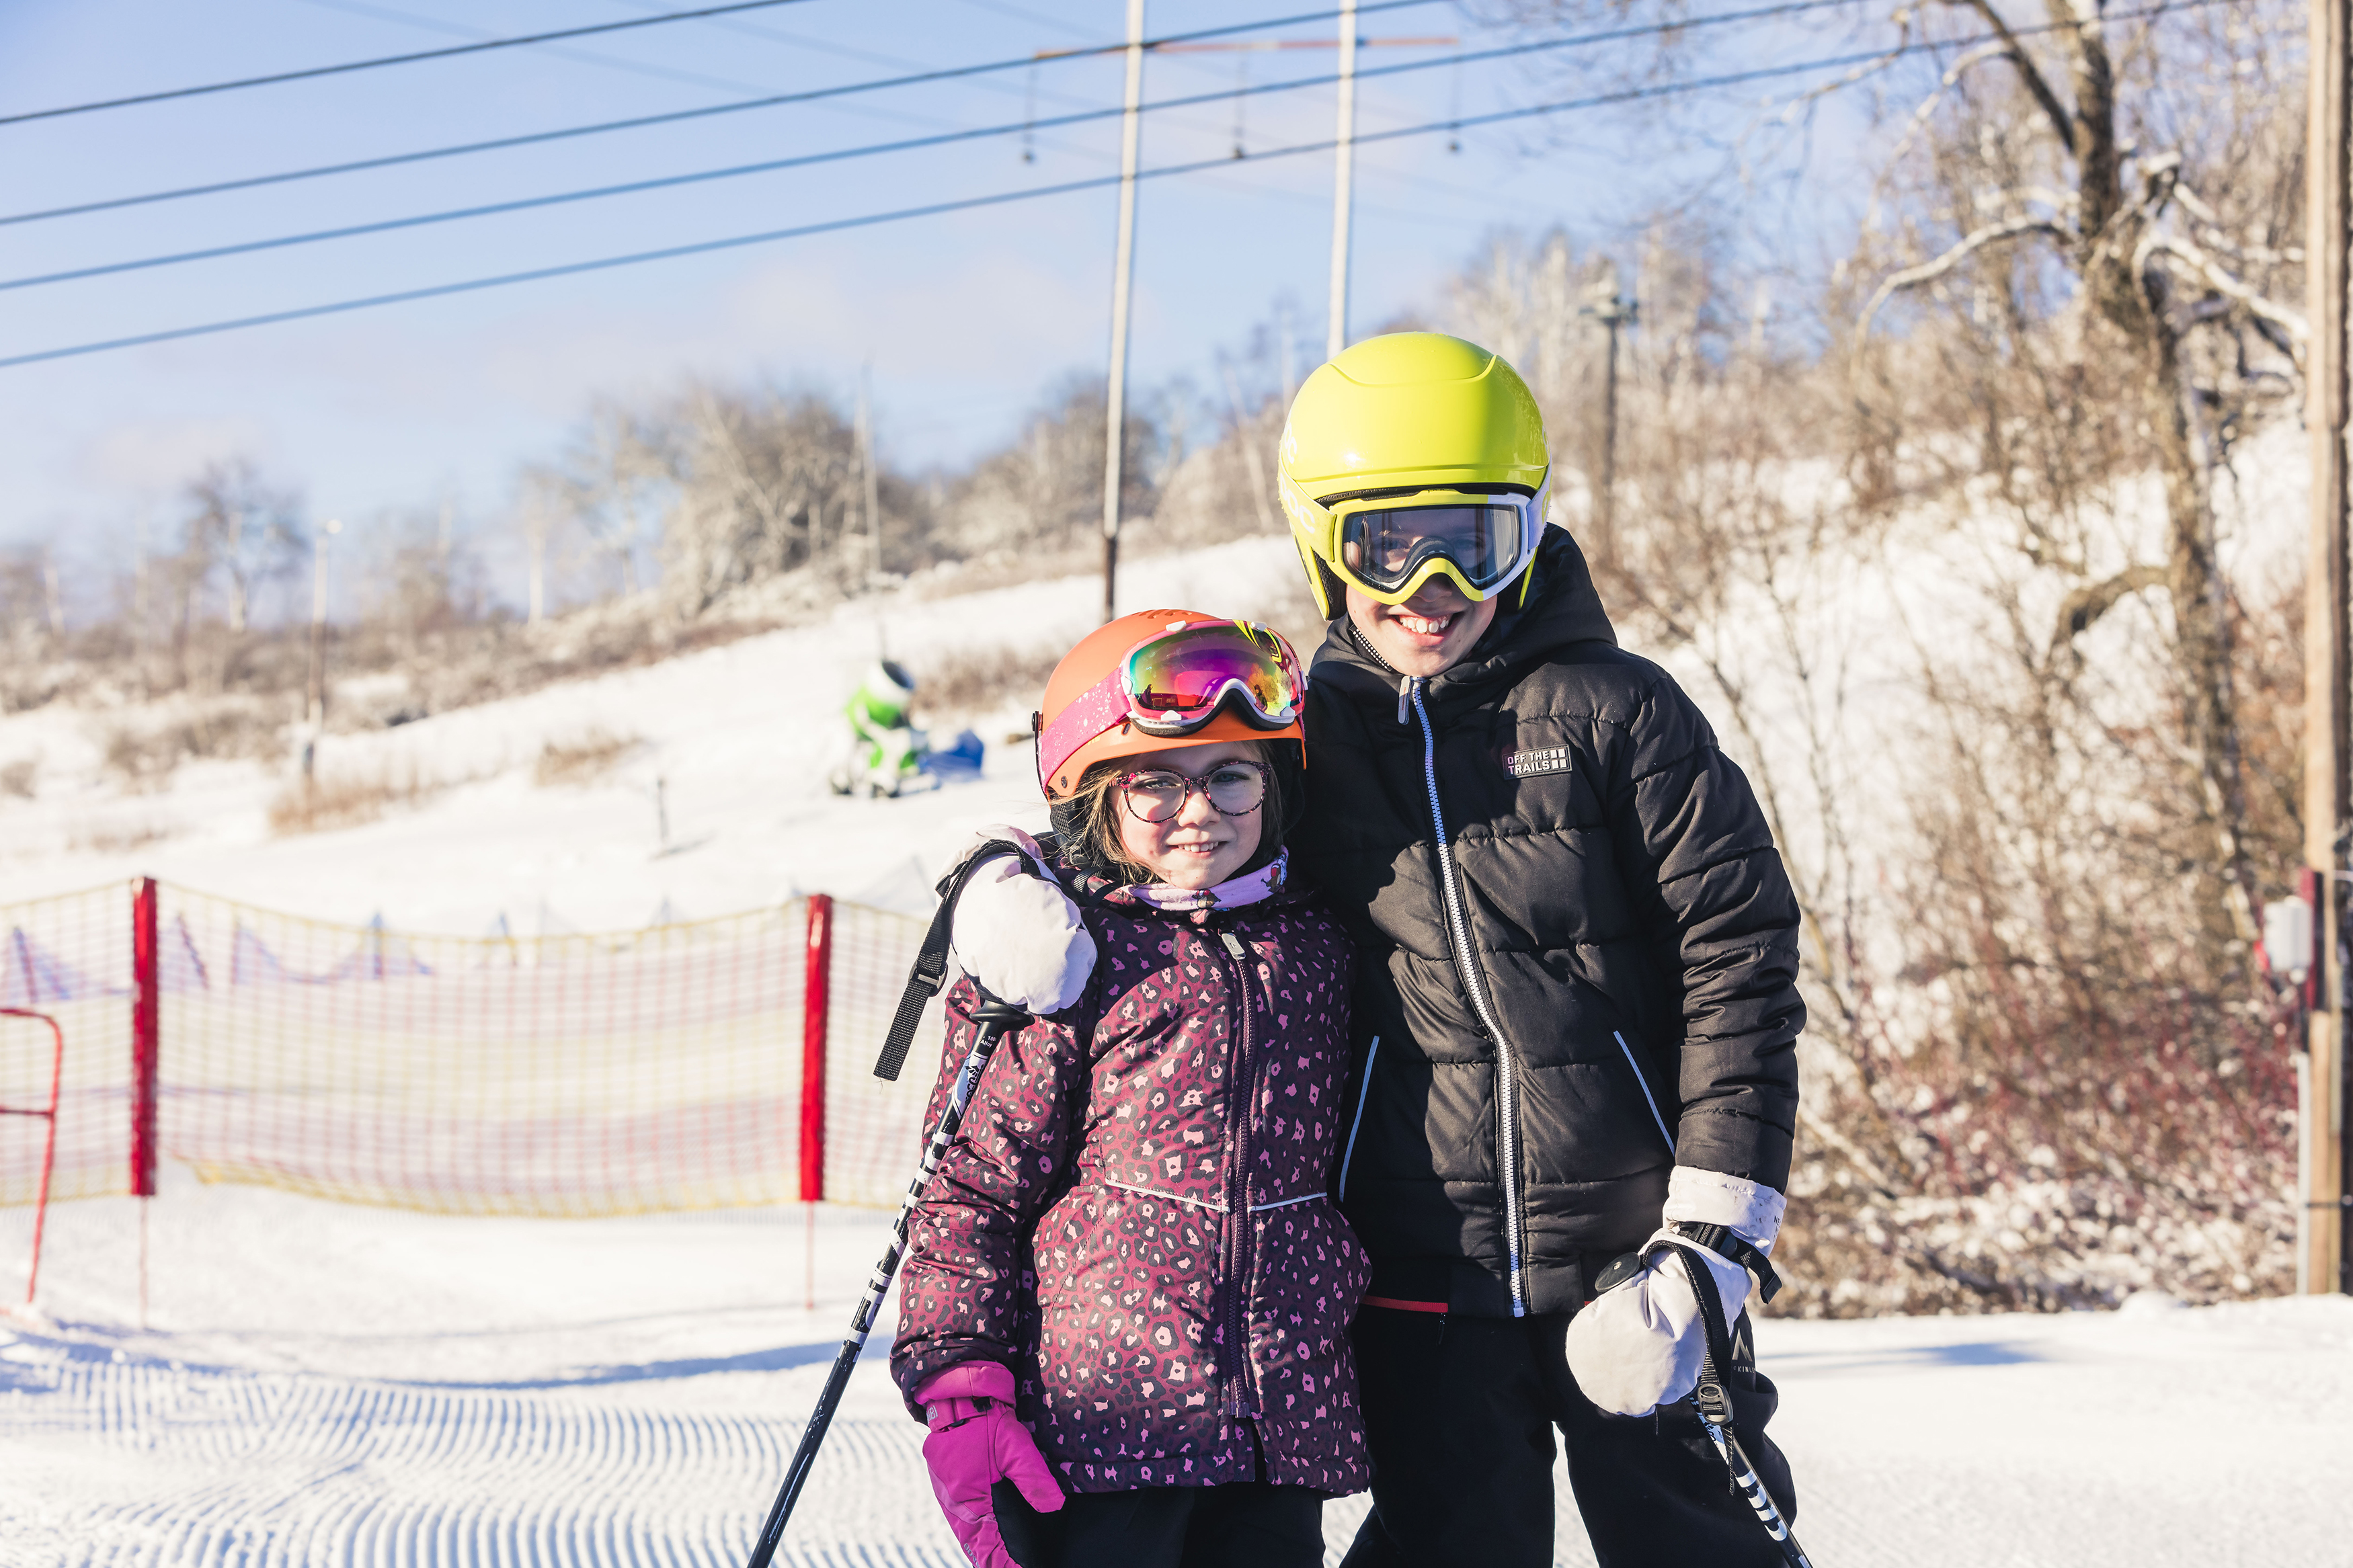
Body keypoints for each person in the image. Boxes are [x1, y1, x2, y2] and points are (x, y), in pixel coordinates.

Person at [953, 334, 1806, 1567]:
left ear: (1530, 534)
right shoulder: (1308, 739)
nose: (1433, 581)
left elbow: (1743, 959)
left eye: (1479, 537)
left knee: (1704, 1547)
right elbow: (1164, 838)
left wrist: (1716, 1234)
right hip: (1422, 1269)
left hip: (1636, 1253)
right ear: (1321, 543)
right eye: (1385, 543)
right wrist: (1000, 876)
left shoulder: (1621, 713)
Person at [893, 612, 1373, 1568]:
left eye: (1232, 773)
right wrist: (962, 1381)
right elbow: (970, 1184)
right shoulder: (1067, 956)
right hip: (1102, 1431)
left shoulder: (1321, 941)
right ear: (1094, 797)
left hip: (1274, 1430)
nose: (1200, 808)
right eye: (1156, 780)